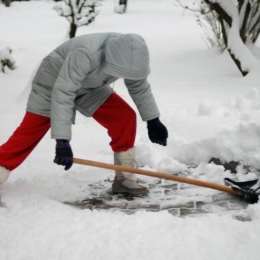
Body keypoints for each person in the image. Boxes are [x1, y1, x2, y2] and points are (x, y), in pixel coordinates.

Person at [0, 32, 168, 200]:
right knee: (30, 132)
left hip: (91, 86)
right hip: (51, 85)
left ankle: (124, 177)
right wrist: (62, 141)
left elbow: (138, 86)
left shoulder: (131, 55)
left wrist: (153, 120)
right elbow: (64, 92)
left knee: (124, 117)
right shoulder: (85, 53)